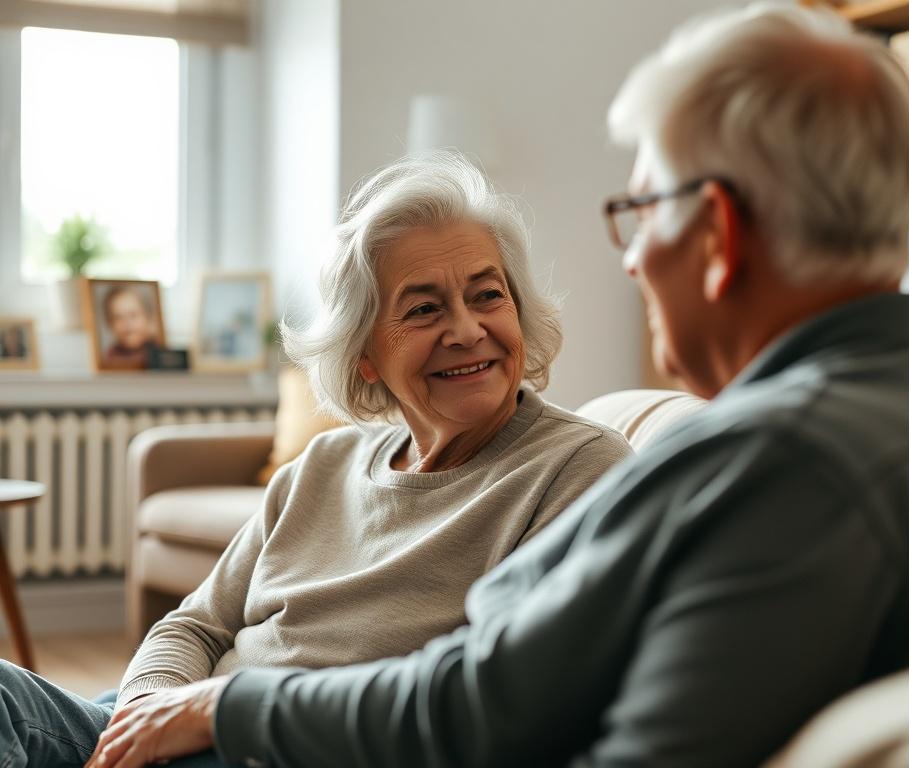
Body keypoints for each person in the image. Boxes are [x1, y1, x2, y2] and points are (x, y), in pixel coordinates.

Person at [84, 5, 909, 768]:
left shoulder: (776, 459)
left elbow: (475, 706)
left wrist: (230, 708)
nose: (628, 261)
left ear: (719, 233)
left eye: (640, 208)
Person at [0, 152, 631, 767]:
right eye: (424, 308)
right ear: (365, 356)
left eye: (488, 295)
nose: (466, 329)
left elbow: (497, 703)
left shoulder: (579, 470)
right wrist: (145, 716)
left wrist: (219, 709)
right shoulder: (323, 464)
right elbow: (191, 628)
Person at [102, 286, 161, 367]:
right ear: (110, 324)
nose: (127, 324)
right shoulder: (109, 358)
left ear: (148, 317)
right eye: (118, 317)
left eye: (133, 315)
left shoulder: (159, 351)